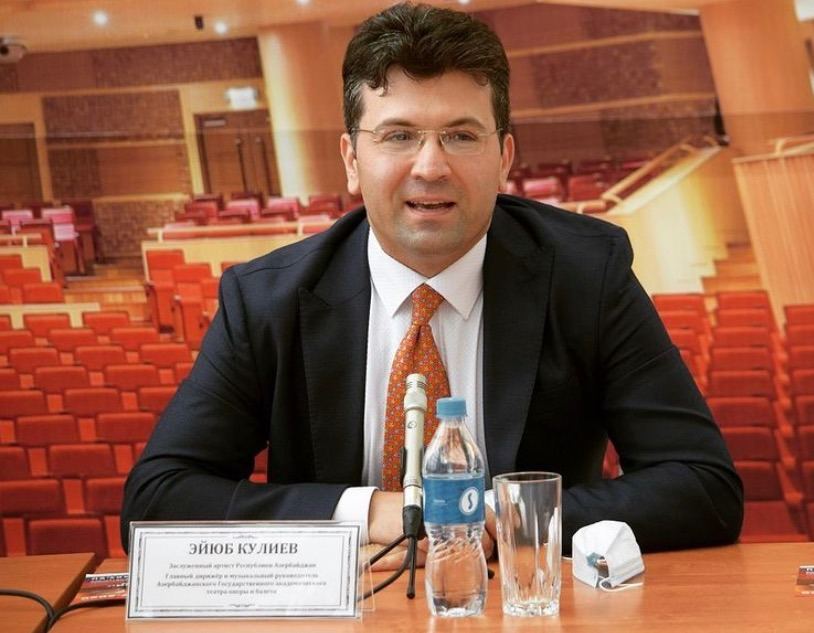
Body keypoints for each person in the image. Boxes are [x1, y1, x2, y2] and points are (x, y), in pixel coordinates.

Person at [121, 2, 743, 561]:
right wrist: (369, 514)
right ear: (351, 159)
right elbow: (156, 500)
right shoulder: (264, 300)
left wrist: (492, 519)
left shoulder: (587, 274)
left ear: (504, 158)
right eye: (398, 136)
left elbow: (703, 485)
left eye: (461, 136)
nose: (430, 166)